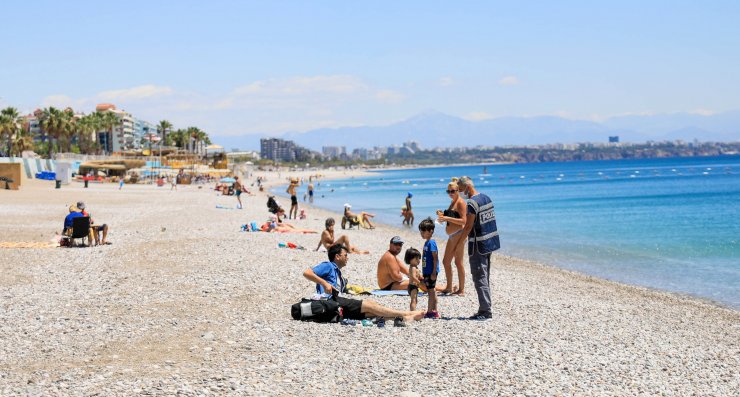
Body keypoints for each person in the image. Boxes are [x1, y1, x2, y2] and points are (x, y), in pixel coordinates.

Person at [302, 244, 425, 323]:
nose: (347, 258)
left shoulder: (338, 274)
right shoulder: (328, 265)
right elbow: (307, 272)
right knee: (370, 305)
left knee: (369, 313)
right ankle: (408, 313)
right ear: (337, 256)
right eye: (345, 255)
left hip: (335, 306)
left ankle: (404, 318)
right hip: (330, 302)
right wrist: (324, 283)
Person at [457, 176, 501, 320]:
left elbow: (469, 225)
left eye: (461, 189)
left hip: (478, 244)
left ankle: (485, 311)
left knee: (479, 276)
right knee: (485, 275)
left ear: (467, 187)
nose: (460, 193)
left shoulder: (472, 203)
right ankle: (486, 306)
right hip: (490, 242)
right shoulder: (486, 198)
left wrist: (460, 242)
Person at [436, 181, 468, 295]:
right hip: (452, 235)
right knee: (446, 261)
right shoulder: (452, 202)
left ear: (458, 190)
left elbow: (464, 221)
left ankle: (462, 289)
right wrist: (442, 217)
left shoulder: (461, 203)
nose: (450, 193)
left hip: (459, 235)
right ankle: (449, 287)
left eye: (453, 191)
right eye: (448, 191)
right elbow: (452, 217)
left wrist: (447, 218)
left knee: (458, 262)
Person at [418, 218, 440, 318]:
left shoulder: (431, 243)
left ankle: (430, 311)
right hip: (427, 271)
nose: (421, 234)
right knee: (432, 290)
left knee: (430, 291)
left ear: (430, 231)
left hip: (431, 271)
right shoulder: (427, 242)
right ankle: (434, 311)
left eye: (423, 231)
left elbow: (435, 258)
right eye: (421, 232)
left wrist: (434, 272)